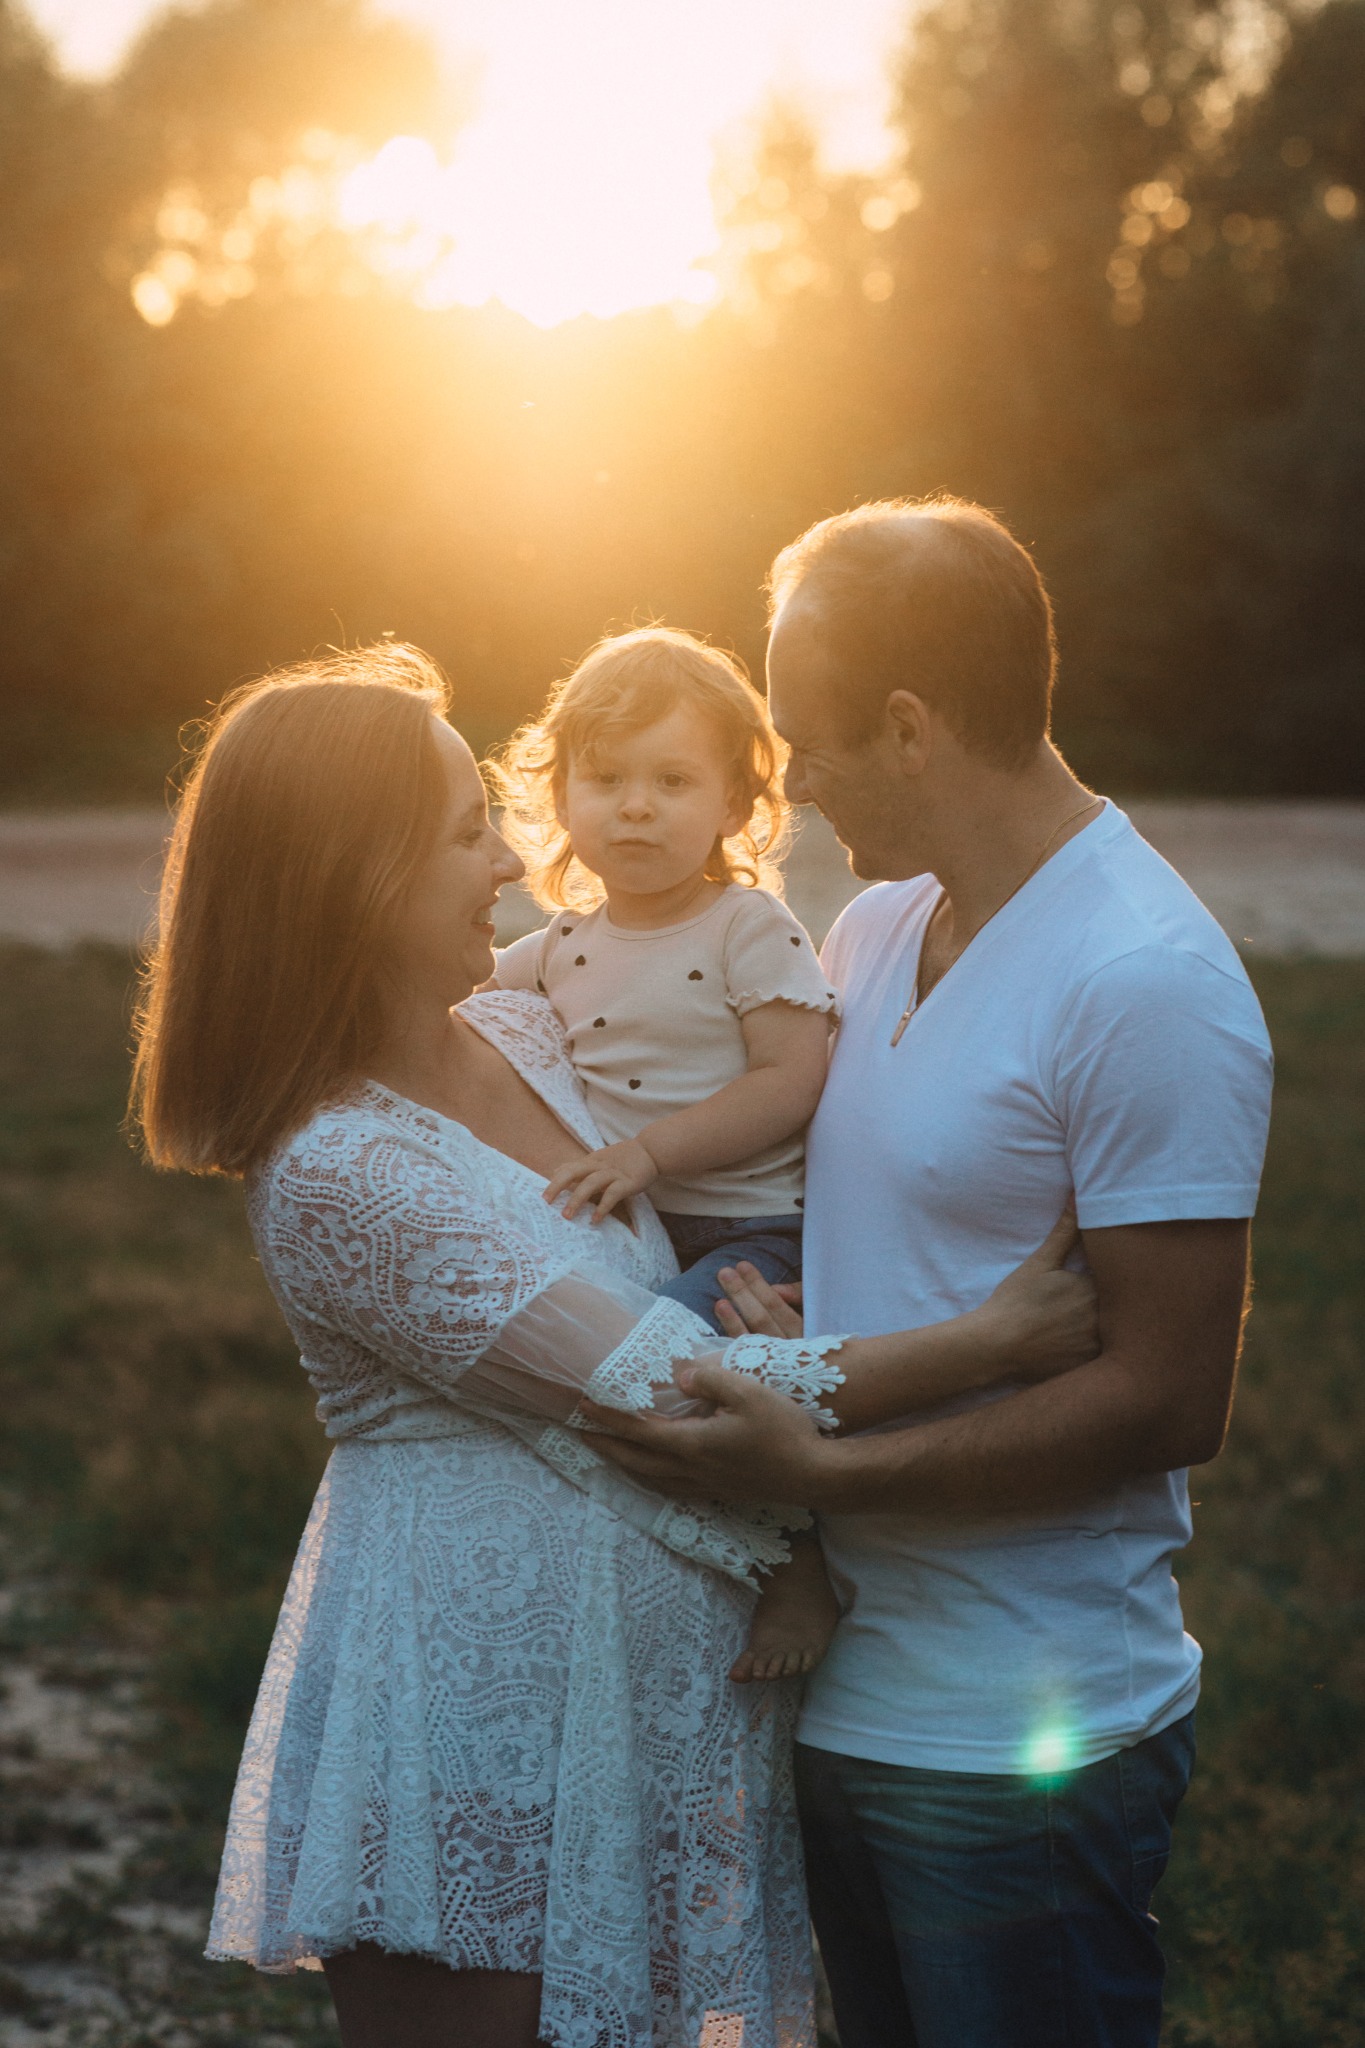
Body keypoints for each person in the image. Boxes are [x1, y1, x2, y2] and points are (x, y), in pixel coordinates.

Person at [128, 641, 1100, 2048]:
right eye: (470, 834)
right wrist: (991, 1339)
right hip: (475, 1718)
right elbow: (660, 1391)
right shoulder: (338, 1170)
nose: (515, 870)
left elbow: (728, 1084)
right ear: (352, 874)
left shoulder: (530, 1032)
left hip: (646, 1719)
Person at [586, 498, 1276, 2048]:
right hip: (836, 1693)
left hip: (1020, 1736)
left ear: (907, 728)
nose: (790, 787)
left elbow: (1170, 1397)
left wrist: (825, 1470)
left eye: (805, 745)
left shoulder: (1144, 981)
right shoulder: (877, 929)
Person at [489, 625, 842, 1681]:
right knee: (582, 1387)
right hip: (630, 1229)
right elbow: (448, 1015)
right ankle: (650, 1581)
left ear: (737, 805)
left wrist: (650, 1149)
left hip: (750, 1231)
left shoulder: (747, 924)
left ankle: (798, 1554)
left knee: (677, 1376)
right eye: (606, 778)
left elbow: (791, 1078)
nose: (635, 804)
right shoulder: (558, 947)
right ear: (561, 799)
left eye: (672, 779)